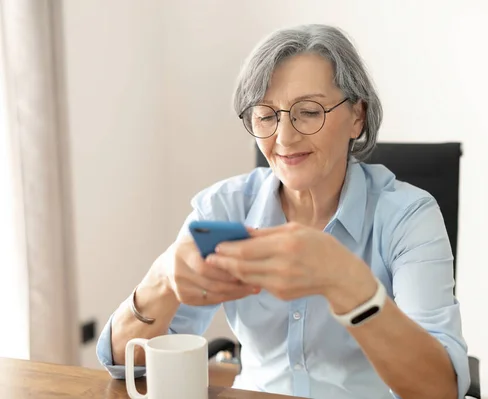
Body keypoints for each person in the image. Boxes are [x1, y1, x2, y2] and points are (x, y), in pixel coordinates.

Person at [96, 24, 469, 399]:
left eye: (308, 112)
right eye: (266, 115)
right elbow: (126, 363)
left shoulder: (408, 216)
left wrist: (347, 284)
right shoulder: (223, 209)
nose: (284, 138)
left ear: (357, 115)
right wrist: (161, 279)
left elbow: (439, 389)